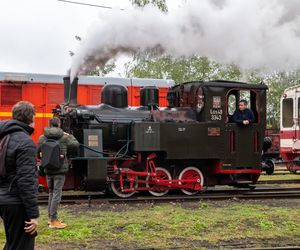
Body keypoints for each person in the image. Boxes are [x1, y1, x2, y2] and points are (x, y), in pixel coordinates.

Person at [0, 101, 39, 250]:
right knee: (22, 245)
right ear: (31, 119)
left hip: (4, 200)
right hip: (17, 202)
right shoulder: (25, 142)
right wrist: (33, 215)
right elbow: (26, 181)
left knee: (13, 243)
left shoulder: (3, 137)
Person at [37, 117, 79, 229]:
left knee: (51, 192)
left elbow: (38, 153)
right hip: (60, 170)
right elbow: (76, 145)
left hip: (48, 169)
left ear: (49, 124)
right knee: (56, 194)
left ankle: (51, 218)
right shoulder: (64, 137)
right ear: (59, 124)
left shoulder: (42, 137)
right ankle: (54, 220)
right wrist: (69, 134)